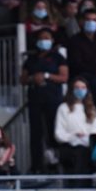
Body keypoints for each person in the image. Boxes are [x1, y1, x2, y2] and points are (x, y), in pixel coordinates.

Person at [21, 28, 69, 173]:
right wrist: (32, 79)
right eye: (41, 38)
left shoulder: (58, 57)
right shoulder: (32, 58)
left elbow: (64, 77)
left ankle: (55, 163)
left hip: (53, 99)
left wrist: (47, 76)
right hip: (35, 99)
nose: (44, 40)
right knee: (36, 133)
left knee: (53, 131)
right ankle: (37, 165)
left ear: (52, 40)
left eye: (47, 37)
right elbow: (22, 78)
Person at [54, 78, 96, 173]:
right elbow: (59, 133)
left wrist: (86, 137)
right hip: (69, 147)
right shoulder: (63, 108)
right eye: (77, 87)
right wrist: (74, 136)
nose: (80, 90)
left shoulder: (92, 109)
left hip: (88, 146)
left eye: (83, 88)